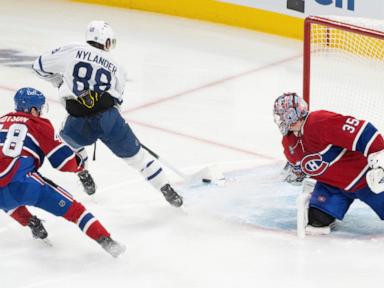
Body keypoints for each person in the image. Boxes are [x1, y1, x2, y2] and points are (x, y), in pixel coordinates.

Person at [32, 20, 183, 207]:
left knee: (69, 145)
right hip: (109, 120)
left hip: (77, 119)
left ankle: (82, 172)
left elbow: (38, 66)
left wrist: (59, 83)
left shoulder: (72, 50)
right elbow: (117, 101)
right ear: (107, 42)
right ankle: (166, 189)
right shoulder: (118, 66)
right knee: (139, 159)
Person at [0, 87, 125, 257]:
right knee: (75, 210)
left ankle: (30, 222)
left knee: (6, 194)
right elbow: (63, 162)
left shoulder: (1, 121)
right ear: (33, 109)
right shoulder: (38, 124)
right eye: (40, 108)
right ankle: (107, 242)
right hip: (26, 184)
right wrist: (79, 167)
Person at [273, 92, 384, 235]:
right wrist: (295, 173)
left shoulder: (319, 122)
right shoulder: (288, 142)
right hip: (332, 186)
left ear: (291, 115)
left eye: (282, 115)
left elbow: (363, 132)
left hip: (366, 180)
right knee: (317, 220)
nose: (280, 119)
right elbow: (299, 167)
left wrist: (380, 158)